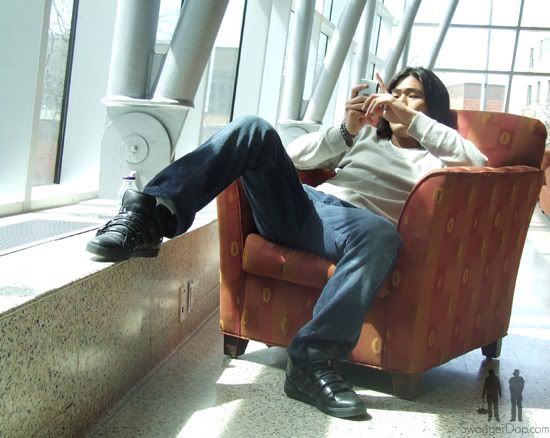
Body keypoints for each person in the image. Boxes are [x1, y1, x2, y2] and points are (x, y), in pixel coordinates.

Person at [86, 67, 487, 418]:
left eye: (411, 95)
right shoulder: (366, 138)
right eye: (394, 93)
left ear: (432, 107)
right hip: (307, 207)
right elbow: (291, 157)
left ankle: (310, 361)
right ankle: (152, 215)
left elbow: (478, 162)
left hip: (357, 230)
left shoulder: (437, 156)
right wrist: (346, 130)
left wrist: (412, 121)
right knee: (253, 128)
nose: (397, 101)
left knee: (382, 234)